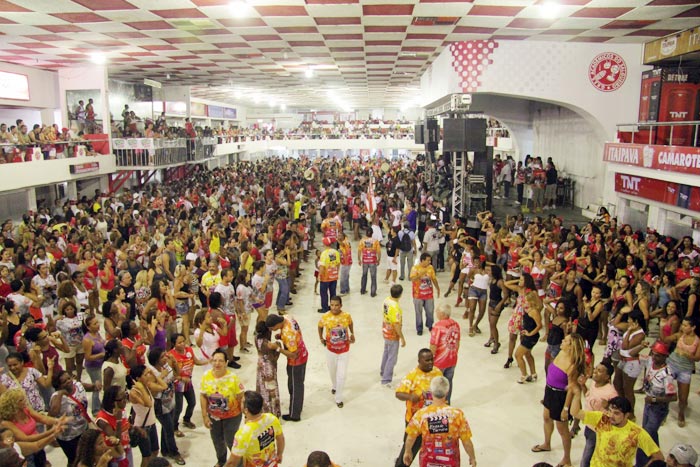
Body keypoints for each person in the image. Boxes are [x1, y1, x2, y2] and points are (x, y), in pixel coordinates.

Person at [531, 334, 587, 467]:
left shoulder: (573, 365)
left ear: (571, 346)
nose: (562, 341)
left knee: (562, 430)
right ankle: (547, 443)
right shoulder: (561, 353)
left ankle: (567, 459)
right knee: (546, 418)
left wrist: (565, 409)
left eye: (565, 341)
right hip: (550, 390)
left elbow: (571, 388)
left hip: (561, 396)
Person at [570, 394, 663, 467]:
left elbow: (658, 457)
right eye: (610, 411)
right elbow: (575, 412)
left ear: (627, 415)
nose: (611, 415)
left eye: (616, 413)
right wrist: (577, 393)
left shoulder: (636, 433)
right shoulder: (602, 419)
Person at [403, 376, 477, 467]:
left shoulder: (421, 414)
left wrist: (407, 451)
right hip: (451, 462)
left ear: (431, 391)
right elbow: (466, 441)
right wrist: (472, 457)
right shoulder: (457, 415)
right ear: (447, 392)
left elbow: (411, 437)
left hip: (427, 461)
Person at [394, 349, 442, 467]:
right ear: (419, 361)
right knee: (409, 447)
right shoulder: (412, 376)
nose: (431, 362)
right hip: (414, 420)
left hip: (432, 420)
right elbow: (398, 394)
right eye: (427, 360)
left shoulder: (437, 373)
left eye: (432, 359)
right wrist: (411, 396)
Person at [200, 347, 245, 467]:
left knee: (231, 440)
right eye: (214, 360)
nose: (217, 363)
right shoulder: (206, 376)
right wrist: (205, 416)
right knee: (217, 440)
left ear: (226, 363)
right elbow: (203, 396)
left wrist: (247, 414)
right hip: (214, 416)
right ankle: (221, 461)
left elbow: (241, 396)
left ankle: (239, 464)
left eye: (220, 361)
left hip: (232, 416)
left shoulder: (233, 377)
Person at [636, 341, 677, 467]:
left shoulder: (667, 374)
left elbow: (673, 397)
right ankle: (657, 461)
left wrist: (654, 399)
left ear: (665, 357)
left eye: (658, 355)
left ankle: (641, 464)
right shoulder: (650, 362)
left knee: (645, 437)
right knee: (650, 435)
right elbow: (633, 354)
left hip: (658, 408)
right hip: (648, 405)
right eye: (653, 354)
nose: (654, 357)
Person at [49, 370, 101, 466]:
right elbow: (52, 414)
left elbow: (91, 387)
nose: (69, 381)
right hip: (69, 437)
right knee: (75, 460)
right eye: (64, 381)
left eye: (69, 378)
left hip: (83, 429)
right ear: (58, 385)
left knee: (87, 457)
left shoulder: (78, 385)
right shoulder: (56, 397)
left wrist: (96, 385)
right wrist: (61, 393)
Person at [265, 314, 308, 422]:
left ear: (277, 324)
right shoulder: (287, 317)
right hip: (303, 353)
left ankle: (294, 414)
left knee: (295, 386)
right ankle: (297, 407)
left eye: (272, 328)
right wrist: (280, 336)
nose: (272, 330)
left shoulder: (288, 334)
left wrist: (278, 348)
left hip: (296, 362)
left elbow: (293, 355)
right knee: (296, 384)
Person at [225, 391, 284, 467]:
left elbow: (231, 463)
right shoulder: (271, 419)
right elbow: (281, 439)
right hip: (271, 464)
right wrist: (279, 454)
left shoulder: (243, 434)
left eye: (242, 402)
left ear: (246, 410)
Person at [318, 296, 355, 408]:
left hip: (344, 350)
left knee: (342, 375)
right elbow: (320, 326)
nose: (334, 307)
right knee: (332, 372)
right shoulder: (325, 316)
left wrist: (352, 333)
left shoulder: (346, 316)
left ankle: (338, 397)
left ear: (341, 305)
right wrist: (321, 338)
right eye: (332, 305)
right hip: (331, 350)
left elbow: (350, 323)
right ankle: (335, 386)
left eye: (336, 305)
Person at [578, 362, 618, 467]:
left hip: (599, 430)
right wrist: (583, 386)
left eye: (599, 371)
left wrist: (607, 407)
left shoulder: (611, 393)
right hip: (589, 425)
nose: (595, 371)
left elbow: (616, 416)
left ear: (607, 377)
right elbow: (588, 397)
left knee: (587, 459)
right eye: (596, 368)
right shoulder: (594, 384)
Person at [429, 304, 460, 403]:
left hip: (439, 361)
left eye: (437, 311)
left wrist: (430, 359)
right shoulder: (455, 324)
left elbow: (433, 345)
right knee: (448, 382)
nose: (436, 313)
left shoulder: (438, 327)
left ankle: (437, 405)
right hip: (452, 359)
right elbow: (458, 342)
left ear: (442, 313)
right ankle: (447, 403)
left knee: (437, 385)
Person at [254, 321, 281, 417]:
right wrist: (278, 346)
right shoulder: (269, 344)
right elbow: (274, 357)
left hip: (260, 366)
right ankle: (273, 411)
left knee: (262, 388)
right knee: (271, 390)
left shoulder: (256, 338)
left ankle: (262, 409)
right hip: (268, 368)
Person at [409, 253, 440, 336]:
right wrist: (420, 274)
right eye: (428, 260)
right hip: (418, 295)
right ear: (422, 260)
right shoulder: (415, 268)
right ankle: (419, 328)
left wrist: (437, 288)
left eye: (430, 260)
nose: (429, 262)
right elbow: (412, 279)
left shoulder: (430, 268)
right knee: (418, 312)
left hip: (429, 294)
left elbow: (433, 278)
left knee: (430, 311)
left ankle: (430, 325)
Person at [381, 284, 406, 387]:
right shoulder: (396, 307)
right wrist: (402, 338)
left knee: (386, 352)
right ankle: (386, 379)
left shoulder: (386, 300)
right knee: (392, 357)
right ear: (400, 294)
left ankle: (383, 372)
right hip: (392, 334)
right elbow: (396, 324)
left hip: (385, 329)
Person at [318, 237, 340, 314]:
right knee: (333, 292)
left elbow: (322, 267)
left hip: (325, 277)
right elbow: (338, 264)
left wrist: (319, 276)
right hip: (334, 276)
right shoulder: (335, 252)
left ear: (324, 244)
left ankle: (325, 308)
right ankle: (333, 307)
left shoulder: (324, 254)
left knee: (324, 293)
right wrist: (337, 272)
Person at [358, 228, 381, 297]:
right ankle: (373, 293)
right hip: (373, 261)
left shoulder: (362, 241)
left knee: (364, 275)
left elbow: (359, 251)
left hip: (365, 261)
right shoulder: (375, 241)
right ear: (372, 233)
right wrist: (379, 259)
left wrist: (359, 259)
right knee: (373, 277)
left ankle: (362, 290)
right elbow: (378, 252)